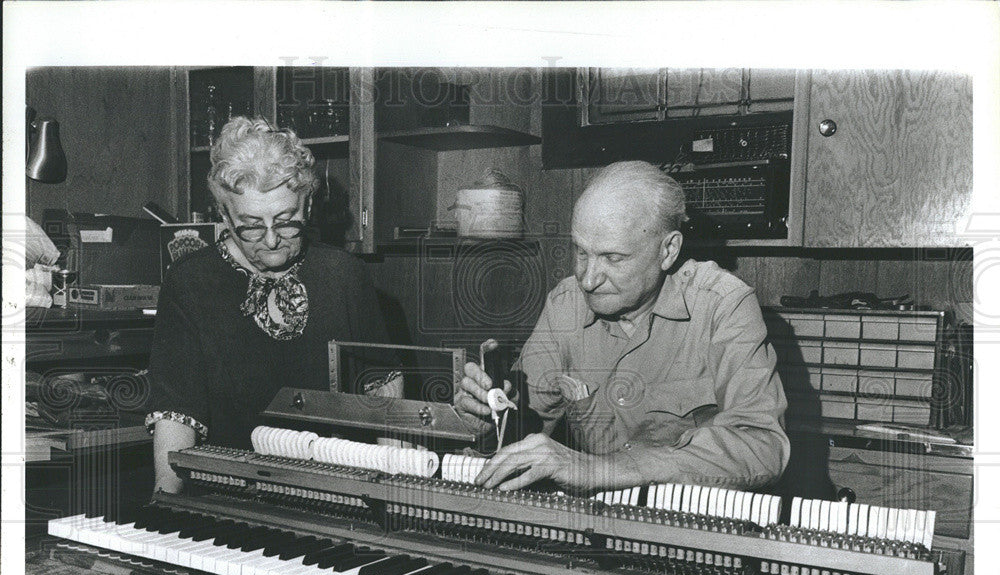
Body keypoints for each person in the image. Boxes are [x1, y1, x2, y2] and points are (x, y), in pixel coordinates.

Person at [456, 160, 789, 493]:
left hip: (693, 522)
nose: (587, 279)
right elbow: (523, 426)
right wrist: (488, 423)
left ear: (668, 250)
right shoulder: (566, 305)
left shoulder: (723, 305)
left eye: (613, 258)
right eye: (581, 252)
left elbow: (762, 446)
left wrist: (606, 469)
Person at [145, 117, 396, 493]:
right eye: (250, 225)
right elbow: (177, 415)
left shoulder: (344, 275)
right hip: (230, 496)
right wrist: (165, 501)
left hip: (338, 491)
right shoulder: (191, 282)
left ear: (307, 204)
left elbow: (382, 389)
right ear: (224, 215)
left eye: (286, 221)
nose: (272, 240)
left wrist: (396, 486)